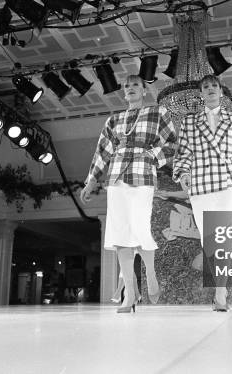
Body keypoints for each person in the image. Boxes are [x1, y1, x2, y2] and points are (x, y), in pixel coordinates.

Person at [81, 75, 177, 313]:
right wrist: (91, 180)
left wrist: (153, 156)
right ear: (124, 92)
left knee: (140, 227)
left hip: (142, 175)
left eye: (136, 85)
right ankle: (130, 293)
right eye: (127, 86)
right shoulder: (114, 120)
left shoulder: (158, 113)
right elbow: (102, 151)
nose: (131, 88)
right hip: (116, 177)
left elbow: (173, 144)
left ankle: (151, 275)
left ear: (144, 90)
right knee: (119, 233)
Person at [173, 74, 232, 312]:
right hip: (201, 185)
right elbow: (183, 152)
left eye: (214, 86)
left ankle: (220, 293)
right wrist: (183, 174)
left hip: (228, 183)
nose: (210, 89)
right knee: (209, 243)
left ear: (221, 91)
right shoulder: (189, 121)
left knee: (222, 237)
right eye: (205, 87)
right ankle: (221, 286)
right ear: (200, 94)